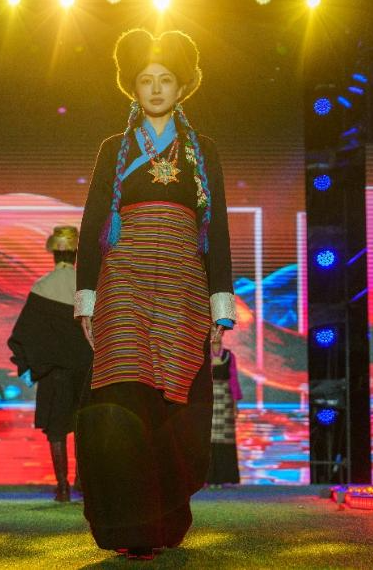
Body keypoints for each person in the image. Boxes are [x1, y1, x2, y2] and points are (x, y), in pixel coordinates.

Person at [74, 28, 236, 559]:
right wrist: (86, 296)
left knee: (175, 406)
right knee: (124, 398)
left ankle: (164, 519)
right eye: (147, 79)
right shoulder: (113, 150)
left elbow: (217, 230)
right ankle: (128, 524)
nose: (157, 88)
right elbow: (93, 224)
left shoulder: (203, 151)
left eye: (166, 79)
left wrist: (220, 304)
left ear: (182, 86)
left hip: (183, 284)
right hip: (123, 281)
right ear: (133, 87)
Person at [7, 226, 93, 502]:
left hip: (55, 374)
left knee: (56, 430)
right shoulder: (87, 288)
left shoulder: (42, 287)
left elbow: (24, 334)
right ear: (76, 253)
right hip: (85, 371)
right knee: (83, 427)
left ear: (54, 253)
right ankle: (82, 481)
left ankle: (63, 487)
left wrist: (29, 366)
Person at [205, 336, 242, 488]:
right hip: (208, 398)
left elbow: (233, 379)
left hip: (225, 399)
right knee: (207, 438)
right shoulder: (204, 355)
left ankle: (224, 478)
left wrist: (235, 404)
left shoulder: (228, 355)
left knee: (225, 438)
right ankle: (208, 478)